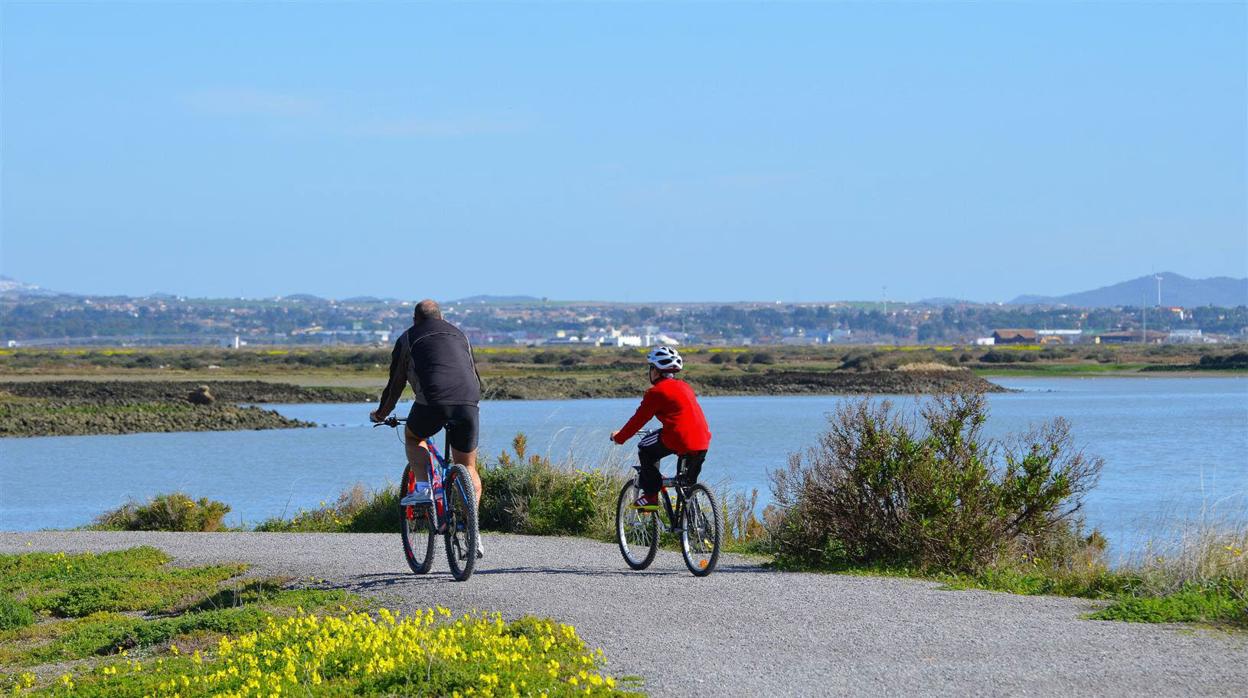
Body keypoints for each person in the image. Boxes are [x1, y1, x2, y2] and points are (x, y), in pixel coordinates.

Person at [370, 299, 484, 556]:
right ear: (441, 317)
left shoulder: (408, 338)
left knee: (414, 437)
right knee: (468, 467)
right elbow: (473, 373)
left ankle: (423, 490)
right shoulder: (460, 334)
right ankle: (473, 531)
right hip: (469, 402)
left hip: (432, 403)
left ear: (415, 319)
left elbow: (396, 383)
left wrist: (381, 413)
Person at [609, 346, 711, 510]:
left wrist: (619, 437)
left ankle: (650, 498)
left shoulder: (656, 392)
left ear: (655, 371)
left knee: (645, 447)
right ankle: (695, 528)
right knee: (687, 487)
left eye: (650, 368)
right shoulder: (685, 387)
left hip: (678, 438)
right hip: (702, 441)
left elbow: (638, 420)